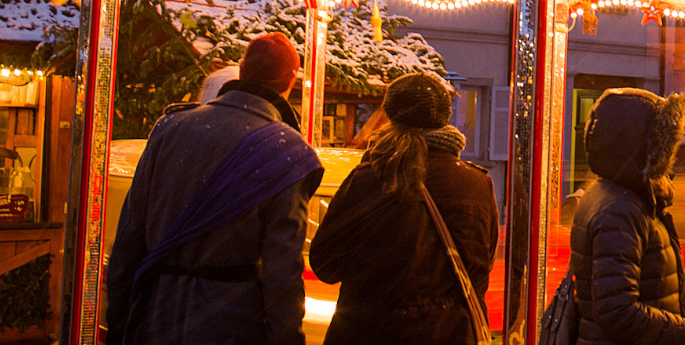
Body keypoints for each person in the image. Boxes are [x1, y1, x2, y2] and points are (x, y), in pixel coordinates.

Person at [106, 32, 324, 345]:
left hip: (157, 315)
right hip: (231, 322)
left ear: (242, 69)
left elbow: (129, 238)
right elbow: (282, 270)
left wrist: (120, 322)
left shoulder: (170, 128)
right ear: (290, 82)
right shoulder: (285, 152)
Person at [309, 73, 498, 345]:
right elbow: (480, 269)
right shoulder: (477, 184)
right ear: (445, 118)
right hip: (450, 333)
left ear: (390, 116)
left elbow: (325, 264)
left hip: (371, 333)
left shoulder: (370, 179)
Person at [569, 87, 685, 345]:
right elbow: (618, 312)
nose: (670, 156)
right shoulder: (621, 211)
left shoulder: (618, 198)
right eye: (664, 145)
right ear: (639, 144)